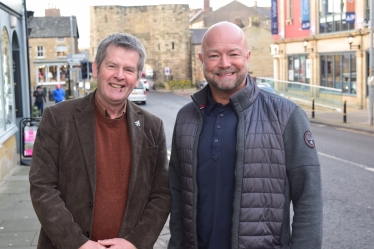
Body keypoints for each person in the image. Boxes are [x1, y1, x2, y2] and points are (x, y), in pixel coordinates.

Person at [168, 22, 323, 249]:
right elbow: (178, 194)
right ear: (201, 60)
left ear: (247, 57)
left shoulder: (286, 115)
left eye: (234, 54)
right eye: (214, 55)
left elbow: (308, 198)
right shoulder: (186, 117)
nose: (224, 63)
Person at [29, 33, 171, 249]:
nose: (119, 76)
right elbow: (42, 187)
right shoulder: (58, 118)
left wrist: (135, 243)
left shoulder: (153, 126)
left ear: (138, 77)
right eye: (112, 66)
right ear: (96, 69)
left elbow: (161, 194)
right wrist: (78, 244)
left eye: (129, 69)